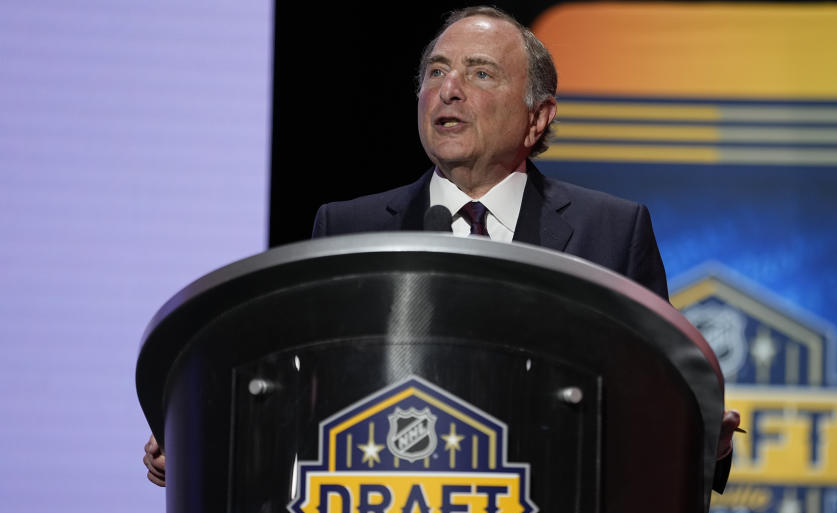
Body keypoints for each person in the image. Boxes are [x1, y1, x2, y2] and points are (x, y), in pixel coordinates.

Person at [144, 5, 740, 488]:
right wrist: (206, 438)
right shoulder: (348, 228)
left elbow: (659, 397)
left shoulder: (611, 231)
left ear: (538, 118)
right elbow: (299, 397)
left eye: (480, 73)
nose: (448, 90)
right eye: (435, 72)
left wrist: (701, 441)